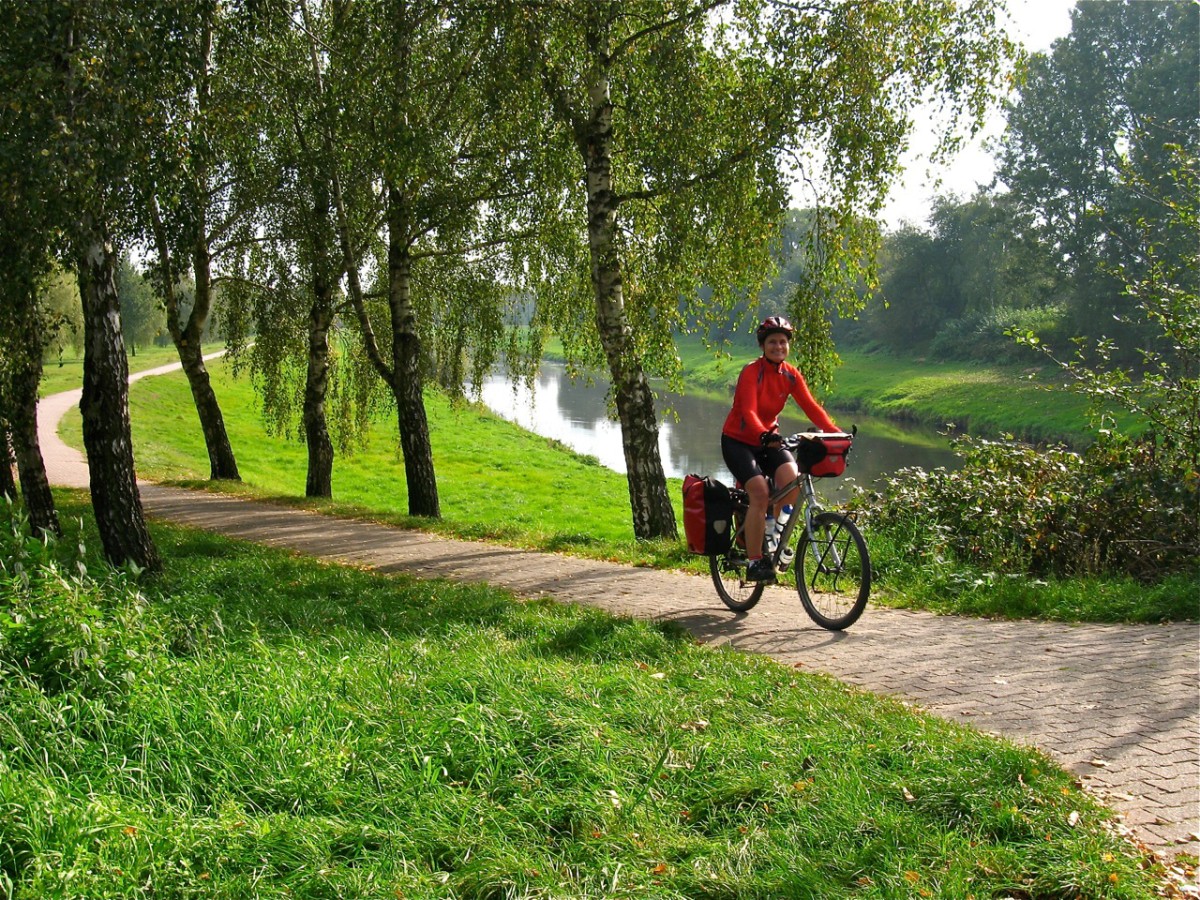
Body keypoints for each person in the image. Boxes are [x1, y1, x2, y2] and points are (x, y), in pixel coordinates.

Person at [721, 315, 838, 582]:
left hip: (769, 439)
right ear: (763, 346)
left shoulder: (790, 375)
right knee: (760, 493)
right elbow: (749, 411)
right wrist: (762, 434)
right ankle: (754, 561)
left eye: (783, 342)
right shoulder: (752, 371)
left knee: (793, 484)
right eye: (772, 342)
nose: (779, 347)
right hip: (738, 441)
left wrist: (836, 433)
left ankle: (772, 537)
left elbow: (811, 408)